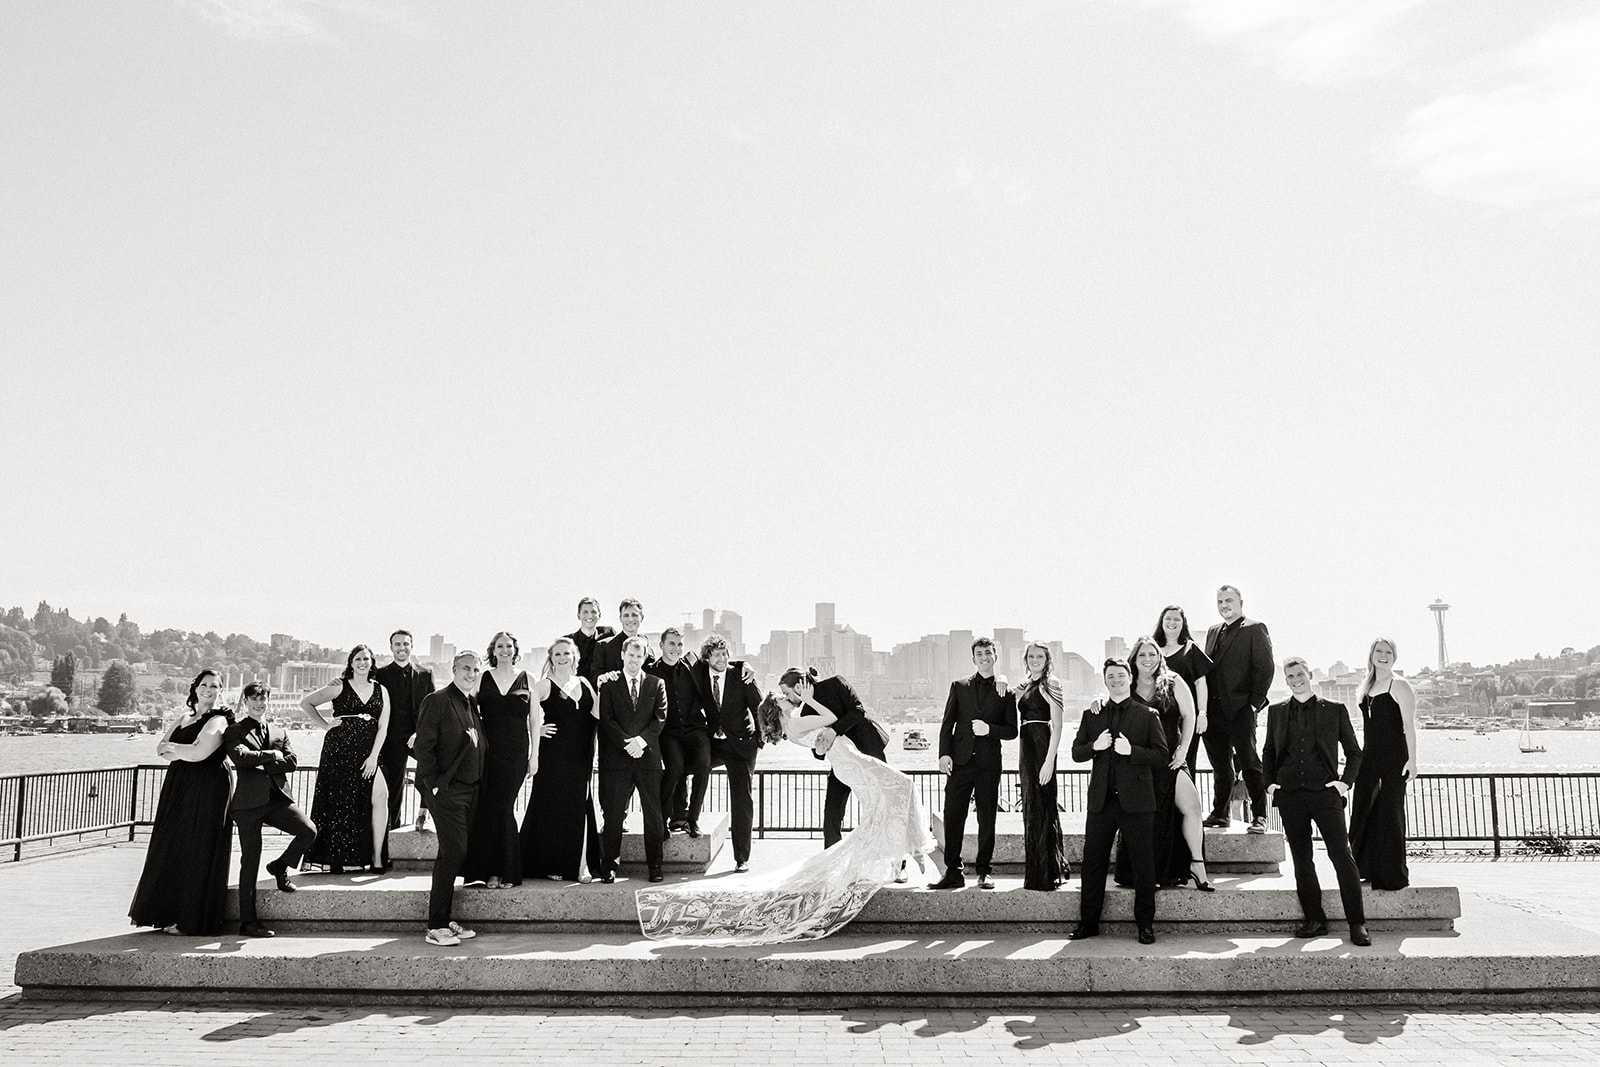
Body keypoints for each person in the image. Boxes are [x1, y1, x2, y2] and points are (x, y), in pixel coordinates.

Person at [635, 689, 932, 945]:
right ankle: (911, 851)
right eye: (786, 698)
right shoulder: (797, 721)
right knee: (902, 787)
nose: (791, 699)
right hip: (850, 761)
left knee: (892, 796)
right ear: (780, 708)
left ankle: (909, 851)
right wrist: (810, 699)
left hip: (847, 763)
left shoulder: (792, 728)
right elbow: (830, 719)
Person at [1264, 656, 1369, 945]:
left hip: (1325, 795)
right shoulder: (1277, 712)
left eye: (1299, 674)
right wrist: (1270, 785)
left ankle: (1357, 923)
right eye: (1290, 676)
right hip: (1290, 796)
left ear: (1310, 675)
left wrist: (1344, 784)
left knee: (1341, 856)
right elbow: (1269, 752)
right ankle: (1315, 919)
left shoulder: (1334, 710)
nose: (1295, 679)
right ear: (1286, 680)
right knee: (1302, 859)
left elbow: (1354, 752)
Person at [1069, 657, 1169, 945]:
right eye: (1110, 676)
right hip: (1101, 803)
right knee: (1092, 864)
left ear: (1130, 678)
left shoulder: (1148, 715)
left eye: (1120, 676)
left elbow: (1162, 756)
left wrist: (1132, 751)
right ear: (1105, 680)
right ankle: (1088, 923)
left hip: (1137, 802)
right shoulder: (1093, 714)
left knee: (1143, 866)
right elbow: (1076, 752)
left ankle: (1145, 926)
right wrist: (1093, 747)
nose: (1115, 680)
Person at [128, 669, 234, 936]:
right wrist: (180, 750)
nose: (208, 690)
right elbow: (160, 748)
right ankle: (168, 912)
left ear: (220, 691)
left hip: (207, 788)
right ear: (195, 687)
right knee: (172, 844)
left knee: (197, 846)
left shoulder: (219, 719)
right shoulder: (185, 717)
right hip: (179, 786)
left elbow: (200, 753)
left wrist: (176, 750)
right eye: (204, 684)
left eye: (214, 686)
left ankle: (192, 920)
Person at [1115, 636, 1213, 891]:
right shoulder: (1128, 685)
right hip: (1140, 760)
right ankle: (1145, 872)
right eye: (1142, 655)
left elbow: (1189, 716)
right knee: (1147, 819)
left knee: (1192, 806)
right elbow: (1113, 709)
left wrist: (1183, 750)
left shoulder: (1173, 681)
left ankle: (1197, 864)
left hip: (1171, 758)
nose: (1148, 659)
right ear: (1134, 660)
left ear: (1160, 657)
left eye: (1152, 654)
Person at [223, 682, 316, 938]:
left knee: (308, 831)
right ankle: (248, 923)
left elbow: (293, 762)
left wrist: (263, 761)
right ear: (245, 702)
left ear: (268, 701)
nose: (258, 703)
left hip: (277, 800)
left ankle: (279, 866)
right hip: (248, 805)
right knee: (249, 862)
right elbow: (240, 758)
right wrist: (273, 755)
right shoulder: (234, 731)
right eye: (253, 699)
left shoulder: (279, 730)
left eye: (263, 699)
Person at [929, 636, 1017, 890]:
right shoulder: (959, 686)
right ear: (974, 658)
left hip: (989, 764)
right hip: (960, 762)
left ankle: (984, 871)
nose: (984, 657)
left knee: (987, 818)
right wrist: (944, 754)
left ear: (995, 656)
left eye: (988, 653)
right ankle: (953, 872)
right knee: (953, 815)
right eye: (979, 654)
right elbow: (948, 723)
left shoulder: (1005, 691)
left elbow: (1012, 730)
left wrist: (989, 729)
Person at [415, 650, 486, 946]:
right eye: (465, 668)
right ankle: (436, 925)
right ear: (454, 669)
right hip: (446, 791)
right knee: (455, 852)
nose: (470, 673)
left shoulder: (471, 702)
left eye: (475, 669)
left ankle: (443, 918)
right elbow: (424, 746)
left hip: (470, 790)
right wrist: (432, 786)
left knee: (450, 853)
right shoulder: (439, 700)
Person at [301, 645, 392, 873]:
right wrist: (326, 725)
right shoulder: (339, 686)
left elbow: (383, 727)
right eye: (358, 659)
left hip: (368, 752)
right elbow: (306, 703)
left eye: (367, 659)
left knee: (381, 796)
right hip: (339, 750)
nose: (362, 662)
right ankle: (336, 858)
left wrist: (373, 757)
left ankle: (377, 856)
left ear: (372, 663)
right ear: (351, 663)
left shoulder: (381, 690)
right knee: (340, 802)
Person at [521, 637, 602, 882]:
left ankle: (581, 864)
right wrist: (535, 734)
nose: (563, 657)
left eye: (567, 653)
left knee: (580, 806)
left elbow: (599, 714)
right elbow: (528, 716)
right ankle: (554, 863)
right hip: (554, 756)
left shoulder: (585, 683)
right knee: (551, 808)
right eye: (557, 654)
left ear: (574, 656)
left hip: (582, 756)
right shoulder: (544, 685)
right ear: (551, 658)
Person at [461, 632, 538, 889]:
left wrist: (534, 756)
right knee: (490, 808)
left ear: (515, 649)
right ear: (493, 650)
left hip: (516, 752)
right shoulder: (482, 678)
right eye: (500, 646)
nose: (504, 650)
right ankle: (497, 871)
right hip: (487, 753)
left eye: (509, 646)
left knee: (503, 807)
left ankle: (500, 871)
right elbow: (462, 705)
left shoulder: (530, 679)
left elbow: (535, 722)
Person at [779, 667, 887, 848]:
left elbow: (858, 711)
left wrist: (834, 731)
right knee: (832, 811)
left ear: (798, 687)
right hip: (843, 763)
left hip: (869, 752)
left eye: (787, 693)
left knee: (884, 805)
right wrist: (819, 752)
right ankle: (831, 861)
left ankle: (898, 864)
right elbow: (816, 747)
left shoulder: (836, 683)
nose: (787, 698)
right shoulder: (806, 712)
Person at [1201, 585, 1274, 833]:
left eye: (1229, 600)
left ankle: (1260, 817)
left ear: (1240, 602)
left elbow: (1265, 669)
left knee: (1249, 761)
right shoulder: (1212, 632)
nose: (1224, 605)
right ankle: (1220, 815)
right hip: (1213, 712)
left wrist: (1254, 704)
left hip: (1242, 708)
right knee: (1221, 766)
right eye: (1220, 601)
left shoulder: (1255, 628)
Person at [595, 636, 669, 883]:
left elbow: (659, 718)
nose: (635, 660)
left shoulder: (657, 684)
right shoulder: (609, 685)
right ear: (623, 656)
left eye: (639, 656)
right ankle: (610, 867)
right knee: (614, 815)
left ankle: (655, 867)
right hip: (617, 759)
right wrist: (627, 743)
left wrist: (641, 742)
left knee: (653, 815)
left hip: (647, 759)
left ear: (644, 657)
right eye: (631, 655)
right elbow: (606, 719)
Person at [1349, 636, 1417, 891]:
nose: (1384, 655)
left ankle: (1391, 875)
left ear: (1394, 656)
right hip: (1369, 759)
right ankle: (1363, 868)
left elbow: (1409, 726)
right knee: (1363, 812)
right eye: (1379, 650)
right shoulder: (1366, 685)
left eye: (1389, 651)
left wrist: (1413, 761)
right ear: (1372, 654)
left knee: (1390, 815)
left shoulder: (1399, 685)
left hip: (1394, 759)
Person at [692, 633, 763, 871]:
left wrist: (759, 740)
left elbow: (759, 706)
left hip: (741, 745)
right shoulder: (700, 674)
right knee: (681, 769)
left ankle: (741, 858)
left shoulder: (740, 675)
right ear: (707, 657)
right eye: (716, 654)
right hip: (714, 744)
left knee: (742, 799)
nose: (722, 658)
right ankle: (685, 820)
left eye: (725, 654)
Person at [646, 627, 711, 838]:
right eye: (672, 643)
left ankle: (692, 820)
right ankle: (662, 820)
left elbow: (721, 662)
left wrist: (744, 664)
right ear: (662, 645)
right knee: (675, 769)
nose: (677, 648)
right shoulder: (651, 671)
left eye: (680, 644)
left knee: (703, 767)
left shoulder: (692, 665)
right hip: (669, 732)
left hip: (695, 728)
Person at [1015, 641, 1069, 891]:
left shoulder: (1052, 683)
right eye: (1031, 656)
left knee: (1044, 807)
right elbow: (1003, 696)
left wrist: (1049, 761)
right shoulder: (1026, 684)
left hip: (1042, 745)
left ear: (1047, 660)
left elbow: (1057, 726)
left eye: (1040, 656)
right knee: (1030, 806)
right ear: (1026, 659)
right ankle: (1035, 872)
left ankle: (1047, 874)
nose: (1035, 660)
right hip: (1025, 746)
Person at [374, 628, 435, 832]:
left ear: (412, 646)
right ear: (391, 647)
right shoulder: (380, 675)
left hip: (417, 736)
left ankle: (423, 813)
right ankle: (392, 833)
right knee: (393, 789)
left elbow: (432, 708)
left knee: (434, 769)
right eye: (398, 644)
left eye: (406, 644)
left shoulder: (426, 674)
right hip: (390, 739)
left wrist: (419, 732)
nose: (402, 648)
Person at [1152, 605, 1213, 777]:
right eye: (1168, 619)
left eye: (1177, 619)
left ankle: (1185, 801)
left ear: (1183, 623)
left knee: (1184, 763)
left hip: (1186, 719)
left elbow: (1201, 683)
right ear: (1161, 622)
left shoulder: (1190, 649)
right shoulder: (1151, 650)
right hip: (1156, 718)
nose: (1172, 622)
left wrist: (1202, 713)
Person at [589, 598, 656, 680]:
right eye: (626, 615)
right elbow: (594, 676)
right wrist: (603, 677)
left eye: (634, 615)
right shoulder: (604, 646)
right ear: (620, 618)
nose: (630, 619)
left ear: (642, 617)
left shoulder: (647, 647)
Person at [567, 596, 615, 685]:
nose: (590, 615)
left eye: (593, 612)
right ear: (578, 615)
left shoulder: (609, 633)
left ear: (599, 615)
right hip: (579, 690)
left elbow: (625, 642)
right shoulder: (569, 641)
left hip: (603, 688)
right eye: (585, 612)